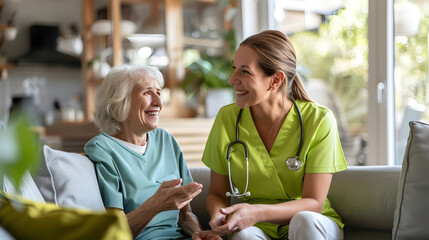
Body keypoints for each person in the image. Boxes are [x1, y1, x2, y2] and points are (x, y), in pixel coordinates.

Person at [201, 30, 348, 240]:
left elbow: (314, 202)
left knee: (303, 220)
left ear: (275, 80)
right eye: (235, 69)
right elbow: (216, 194)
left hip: (312, 222)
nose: (232, 79)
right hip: (256, 225)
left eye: (245, 72)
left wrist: (256, 212)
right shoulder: (227, 118)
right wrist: (219, 215)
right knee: (245, 237)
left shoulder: (319, 120)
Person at [84, 64, 220, 240]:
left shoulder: (166, 140)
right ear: (120, 100)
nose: (158, 103)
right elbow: (115, 233)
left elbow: (185, 215)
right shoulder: (103, 149)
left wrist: (198, 233)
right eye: (147, 92)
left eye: (159, 93)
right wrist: (156, 205)